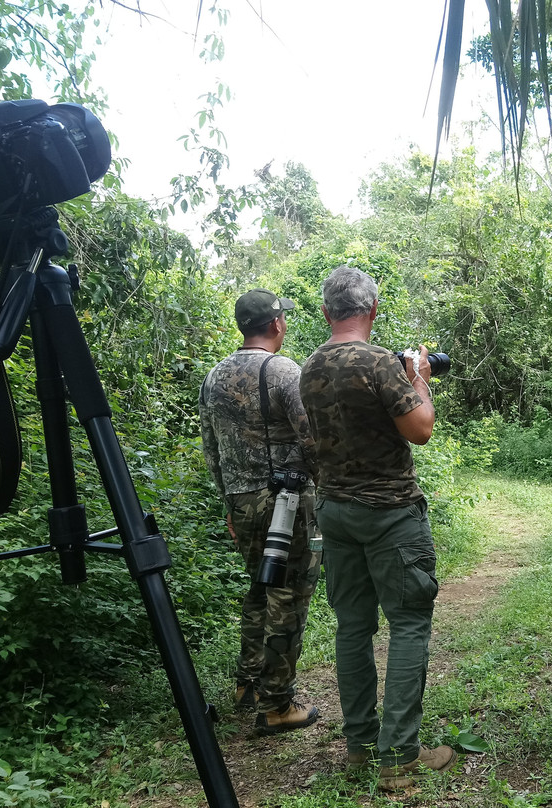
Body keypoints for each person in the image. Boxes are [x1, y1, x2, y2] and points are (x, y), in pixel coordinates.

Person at [299, 266, 457, 792]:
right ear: (372, 309)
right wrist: (419, 378)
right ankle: (400, 757)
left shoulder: (309, 366)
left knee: (352, 626)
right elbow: (420, 429)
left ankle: (360, 747)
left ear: (327, 312)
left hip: (336, 511)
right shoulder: (379, 362)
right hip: (389, 512)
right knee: (408, 623)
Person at [199, 288, 321, 736]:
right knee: (288, 595)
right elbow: (312, 440)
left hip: (241, 500)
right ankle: (276, 705)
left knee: (260, 587)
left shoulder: (213, 376)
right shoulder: (283, 370)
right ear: (275, 324)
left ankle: (248, 683)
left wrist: (229, 503)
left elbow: (211, 449)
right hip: (285, 503)